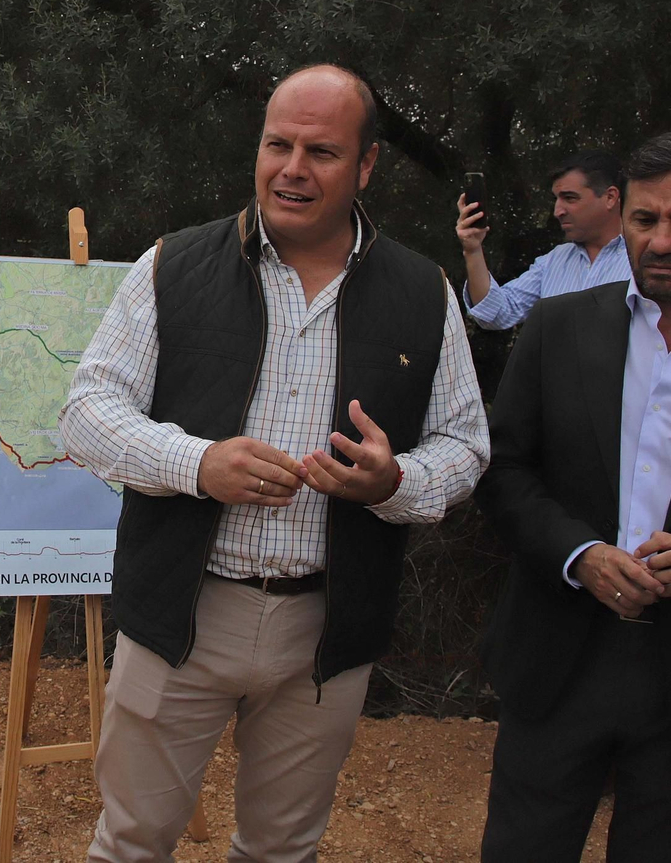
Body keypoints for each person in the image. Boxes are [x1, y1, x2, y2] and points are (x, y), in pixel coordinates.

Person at [61, 64, 488, 863]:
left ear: (365, 168)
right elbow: (85, 412)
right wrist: (198, 461)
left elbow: (466, 447)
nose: (292, 168)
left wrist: (393, 484)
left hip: (324, 629)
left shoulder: (421, 291)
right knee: (131, 842)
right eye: (277, 144)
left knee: (282, 849)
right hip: (180, 617)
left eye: (321, 151)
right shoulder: (172, 266)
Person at [476, 130, 671, 863]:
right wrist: (578, 553)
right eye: (644, 220)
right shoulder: (558, 328)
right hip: (560, 661)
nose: (659, 241)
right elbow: (502, 469)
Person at [456, 150, 630, 329]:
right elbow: (496, 313)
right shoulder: (553, 262)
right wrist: (473, 249)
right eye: (556, 199)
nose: (558, 211)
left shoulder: (642, 260)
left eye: (570, 198)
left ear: (610, 197)